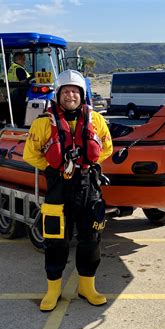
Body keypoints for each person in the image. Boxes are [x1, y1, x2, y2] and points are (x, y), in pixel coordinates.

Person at [23, 69, 113, 312]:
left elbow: (107, 148)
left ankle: (87, 287)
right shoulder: (43, 123)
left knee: (91, 240)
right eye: (66, 91)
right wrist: (56, 168)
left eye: (75, 91)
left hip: (88, 188)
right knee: (55, 243)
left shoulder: (96, 121)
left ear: (82, 95)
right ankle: (53, 290)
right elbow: (30, 154)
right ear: (58, 95)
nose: (70, 95)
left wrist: (87, 165)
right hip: (58, 189)